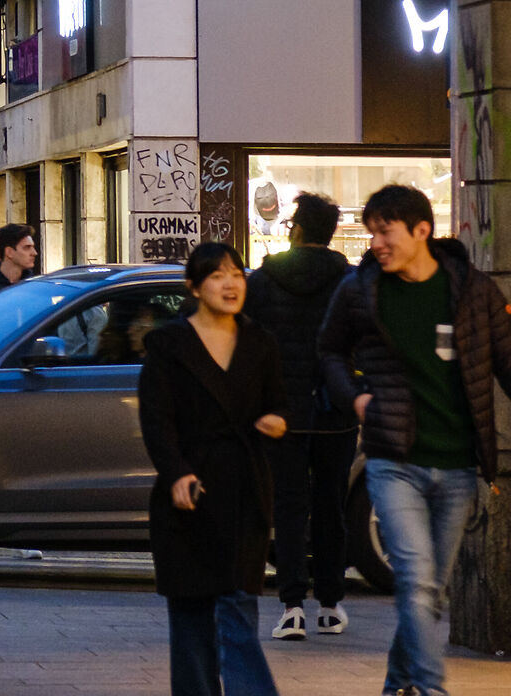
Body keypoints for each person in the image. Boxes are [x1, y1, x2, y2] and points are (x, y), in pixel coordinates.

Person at [318, 184, 511, 696]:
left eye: (386, 232)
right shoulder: (359, 291)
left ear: (421, 230)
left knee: (428, 591)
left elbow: (507, 361)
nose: (376, 243)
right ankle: (431, 688)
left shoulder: (473, 291)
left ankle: (397, 683)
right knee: (418, 582)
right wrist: (355, 398)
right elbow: (330, 351)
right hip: (393, 461)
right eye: (372, 233)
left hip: (458, 466)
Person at [139, 242, 287, 696]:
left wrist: (276, 421)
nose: (231, 284)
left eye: (237, 275)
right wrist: (176, 472)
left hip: (244, 489)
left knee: (238, 607)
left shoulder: (260, 342)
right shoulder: (168, 344)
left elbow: (279, 403)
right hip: (190, 493)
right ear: (194, 287)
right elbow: (157, 419)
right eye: (218, 276)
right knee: (191, 617)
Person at [242, 191, 354, 640]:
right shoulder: (349, 280)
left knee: (288, 506)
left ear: (298, 229)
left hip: (283, 413)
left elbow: (247, 341)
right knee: (331, 505)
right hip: (334, 411)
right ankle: (330, 604)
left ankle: (292, 608)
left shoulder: (263, 281)